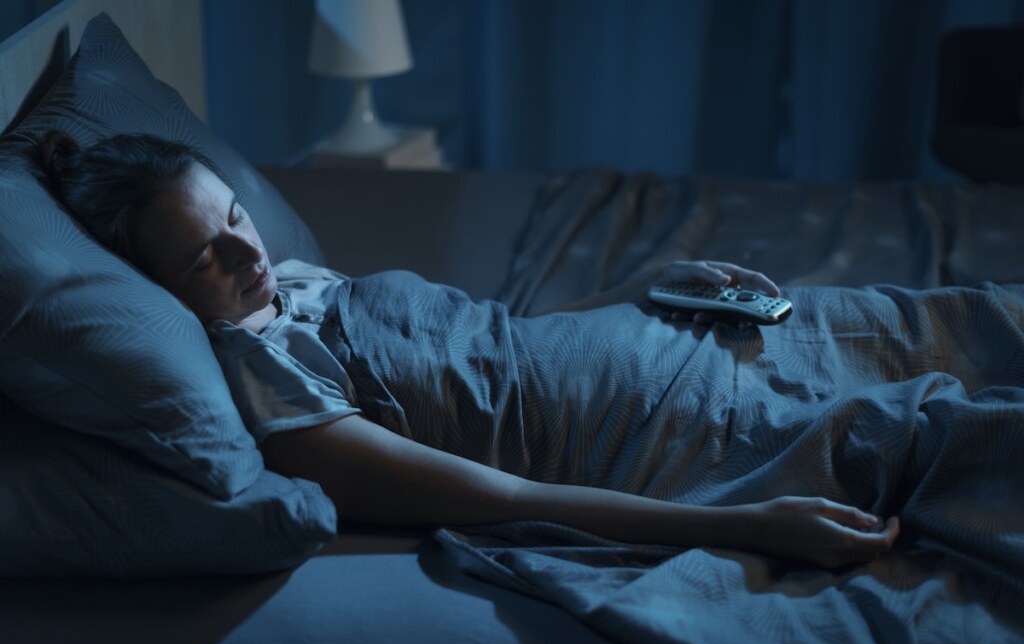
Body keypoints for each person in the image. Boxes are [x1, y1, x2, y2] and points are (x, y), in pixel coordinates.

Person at [35, 130, 901, 568]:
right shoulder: (266, 382)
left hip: (654, 345)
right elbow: (503, 494)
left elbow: (500, 339)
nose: (247, 252)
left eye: (235, 215)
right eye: (205, 258)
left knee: (916, 322)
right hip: (657, 427)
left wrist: (642, 286)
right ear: (156, 290)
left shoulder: (287, 283)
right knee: (921, 417)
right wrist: (744, 527)